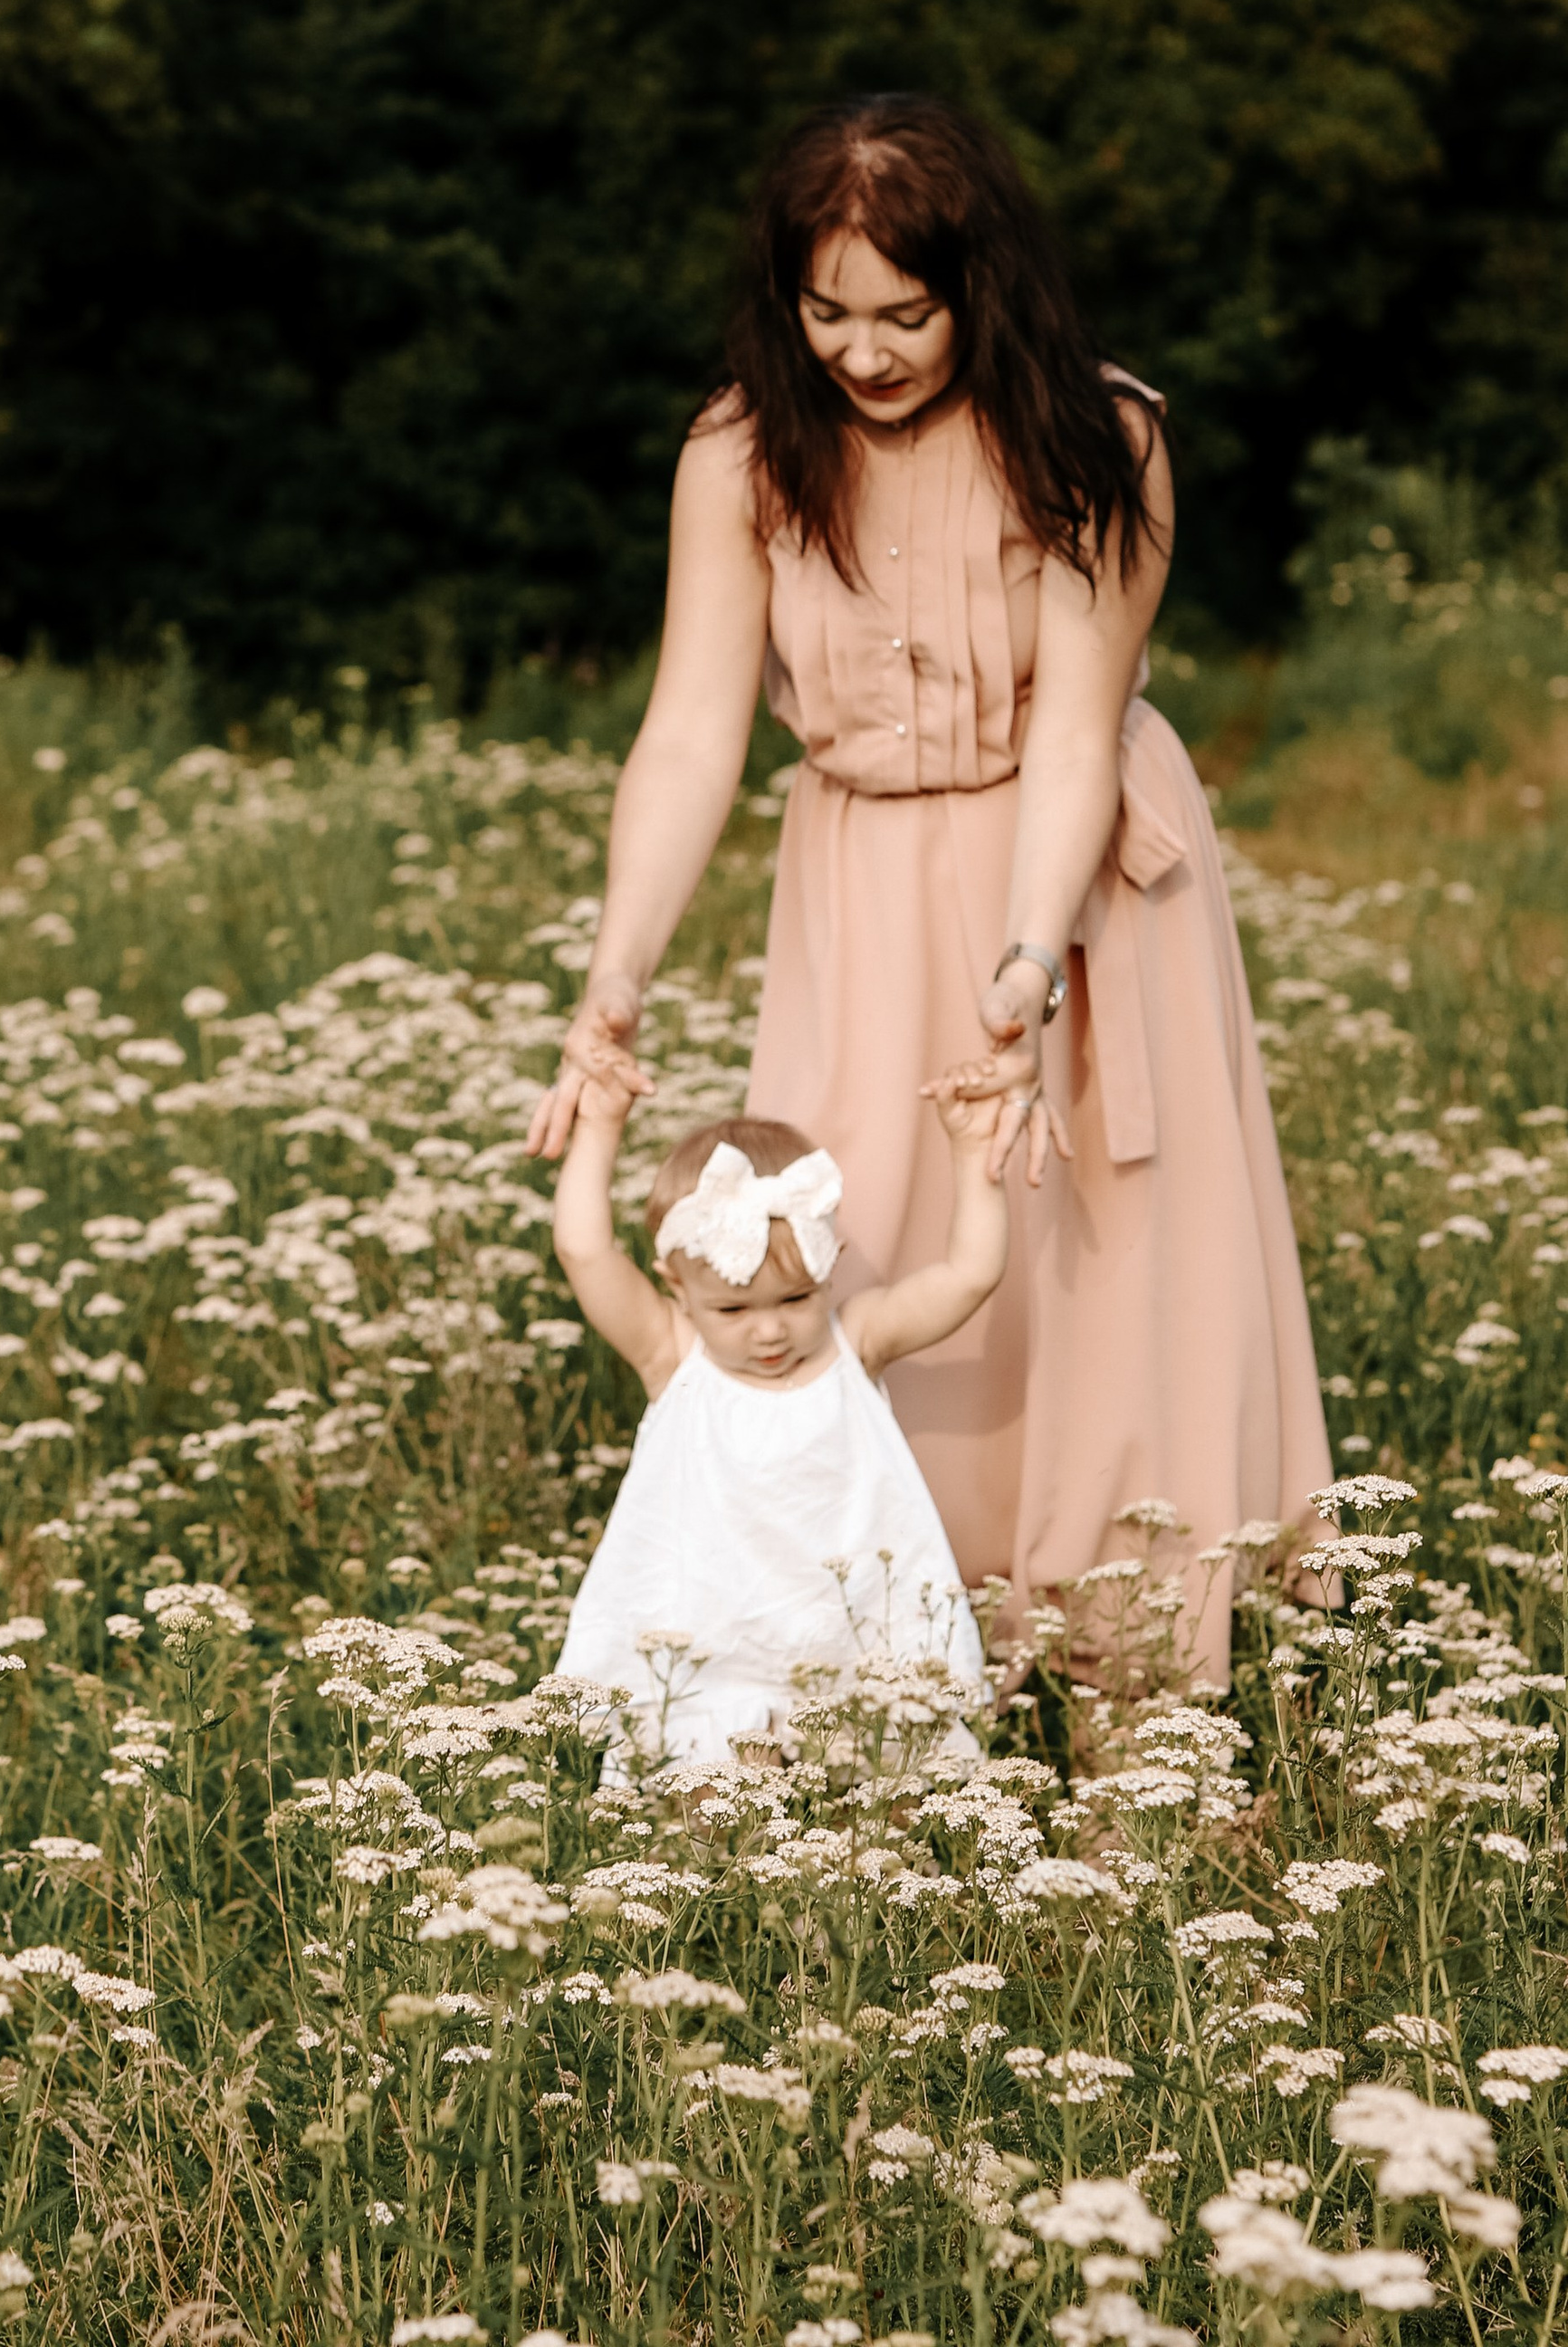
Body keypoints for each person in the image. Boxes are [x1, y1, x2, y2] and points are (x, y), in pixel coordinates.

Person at [525, 94, 1329, 1686]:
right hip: (859, 876)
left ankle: (1134, 1678)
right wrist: (616, 970)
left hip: (1080, 878)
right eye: (827, 312)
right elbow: (690, 732)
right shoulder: (741, 449)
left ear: (983, 286)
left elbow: (1081, 728)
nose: (865, 352)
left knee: (1104, 1251)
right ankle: (897, 1650)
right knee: (864, 1238)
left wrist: (1026, 971)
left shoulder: (1101, 437)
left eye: (905, 312)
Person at [547, 1068, 1009, 1768]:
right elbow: (584, 1251)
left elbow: (969, 1276)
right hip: (713, 1653)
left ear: (831, 1269)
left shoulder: (857, 1341)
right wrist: (600, 1127)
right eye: (733, 1310)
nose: (768, 1333)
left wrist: (973, 1159)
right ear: (677, 1287)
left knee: (884, 1809)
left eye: (795, 1300)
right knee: (710, 1811)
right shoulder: (675, 1355)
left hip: (853, 1648)